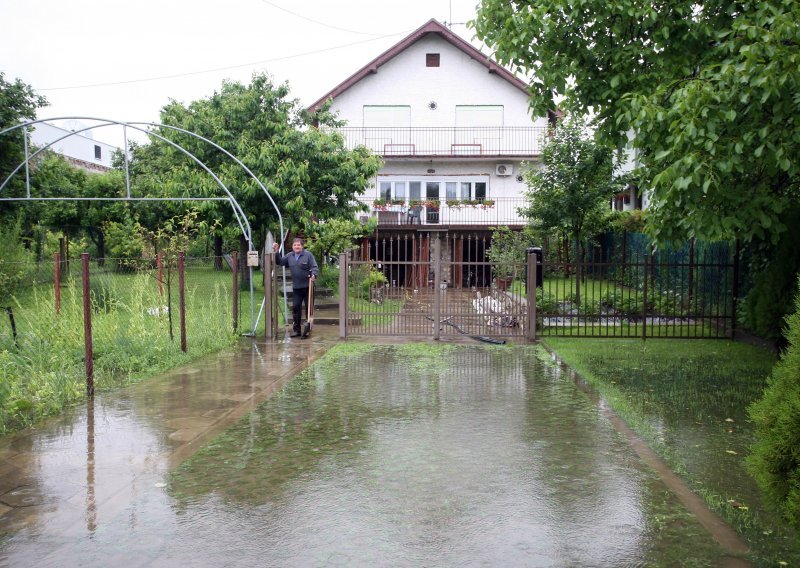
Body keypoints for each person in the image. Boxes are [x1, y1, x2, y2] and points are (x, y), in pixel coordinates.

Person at [273, 237, 319, 337]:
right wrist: (276, 252)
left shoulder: (308, 255)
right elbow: (280, 262)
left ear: (302, 246)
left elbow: (314, 267)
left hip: (308, 287)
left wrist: (314, 275)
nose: (297, 247)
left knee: (308, 308)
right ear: (293, 247)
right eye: (295, 245)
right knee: (296, 308)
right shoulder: (290, 256)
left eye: (298, 245)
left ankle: (308, 329)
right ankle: (297, 330)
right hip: (297, 288)